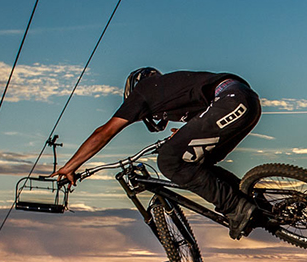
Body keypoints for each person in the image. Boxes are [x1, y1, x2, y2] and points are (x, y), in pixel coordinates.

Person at [51, 68, 263, 239]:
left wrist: (70, 167)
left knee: (169, 162)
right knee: (197, 164)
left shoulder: (142, 92)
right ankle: (256, 203)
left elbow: (104, 132)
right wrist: (180, 137)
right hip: (246, 102)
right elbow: (200, 124)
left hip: (232, 100)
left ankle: (236, 207)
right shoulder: (171, 91)